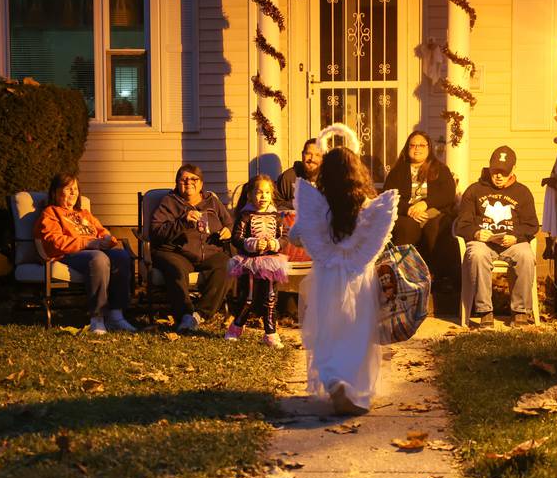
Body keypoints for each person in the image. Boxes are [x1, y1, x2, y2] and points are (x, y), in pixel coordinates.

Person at [289, 123, 398, 416]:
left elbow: (296, 236)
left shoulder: (316, 204)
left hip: (325, 279)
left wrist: (314, 240)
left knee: (328, 331)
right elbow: (380, 237)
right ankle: (353, 388)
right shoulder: (368, 204)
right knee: (356, 332)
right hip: (359, 281)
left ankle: (333, 380)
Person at [34, 173, 136, 334]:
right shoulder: (50, 213)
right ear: (55, 192)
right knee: (99, 258)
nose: (74, 193)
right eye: (68, 189)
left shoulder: (84, 214)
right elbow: (55, 242)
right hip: (68, 254)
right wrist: (89, 243)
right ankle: (97, 318)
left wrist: (108, 239)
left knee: (121, 256)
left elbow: (101, 231)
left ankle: (116, 315)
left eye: (75, 189)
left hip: (94, 249)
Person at [456, 146, 539, 328]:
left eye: (504, 172)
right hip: (483, 243)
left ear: (513, 170)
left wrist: (516, 237)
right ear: (489, 168)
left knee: (525, 255)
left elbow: (532, 225)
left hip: (512, 242)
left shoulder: (522, 192)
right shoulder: (475, 190)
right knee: (477, 255)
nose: (499, 176)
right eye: (495, 171)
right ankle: (485, 311)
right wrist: (476, 233)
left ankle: (520, 311)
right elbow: (461, 225)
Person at [150, 164, 233, 332]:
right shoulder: (169, 202)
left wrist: (228, 231)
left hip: (209, 251)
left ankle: (199, 315)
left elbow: (229, 222)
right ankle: (185, 315)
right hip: (176, 252)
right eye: (183, 179)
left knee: (229, 265)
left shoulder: (212, 202)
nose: (189, 182)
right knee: (175, 269)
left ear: (201, 184)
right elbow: (156, 232)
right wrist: (182, 221)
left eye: (194, 179)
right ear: (177, 183)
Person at [383, 131, 458, 287]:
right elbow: (389, 195)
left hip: (433, 213)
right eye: (413, 145)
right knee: (405, 228)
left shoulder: (440, 169)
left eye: (421, 145)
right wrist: (408, 209)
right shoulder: (398, 171)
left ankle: (436, 276)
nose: (417, 148)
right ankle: (407, 275)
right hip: (407, 215)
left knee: (436, 227)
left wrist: (425, 203)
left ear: (428, 147)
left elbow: (449, 194)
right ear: (407, 148)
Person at [225, 175, 289, 348]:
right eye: (259, 192)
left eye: (267, 192)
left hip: (271, 262)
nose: (263, 196)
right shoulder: (245, 215)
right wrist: (250, 243)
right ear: (250, 195)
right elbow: (236, 238)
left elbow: (284, 237)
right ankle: (236, 327)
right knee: (248, 298)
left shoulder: (277, 216)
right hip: (250, 261)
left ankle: (270, 333)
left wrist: (275, 244)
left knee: (270, 297)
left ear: (272, 195)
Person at [274, 138, 323, 210]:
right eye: (308, 154)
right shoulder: (289, 177)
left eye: (317, 155)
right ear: (302, 155)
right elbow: (275, 204)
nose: (312, 159)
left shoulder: (332, 179)